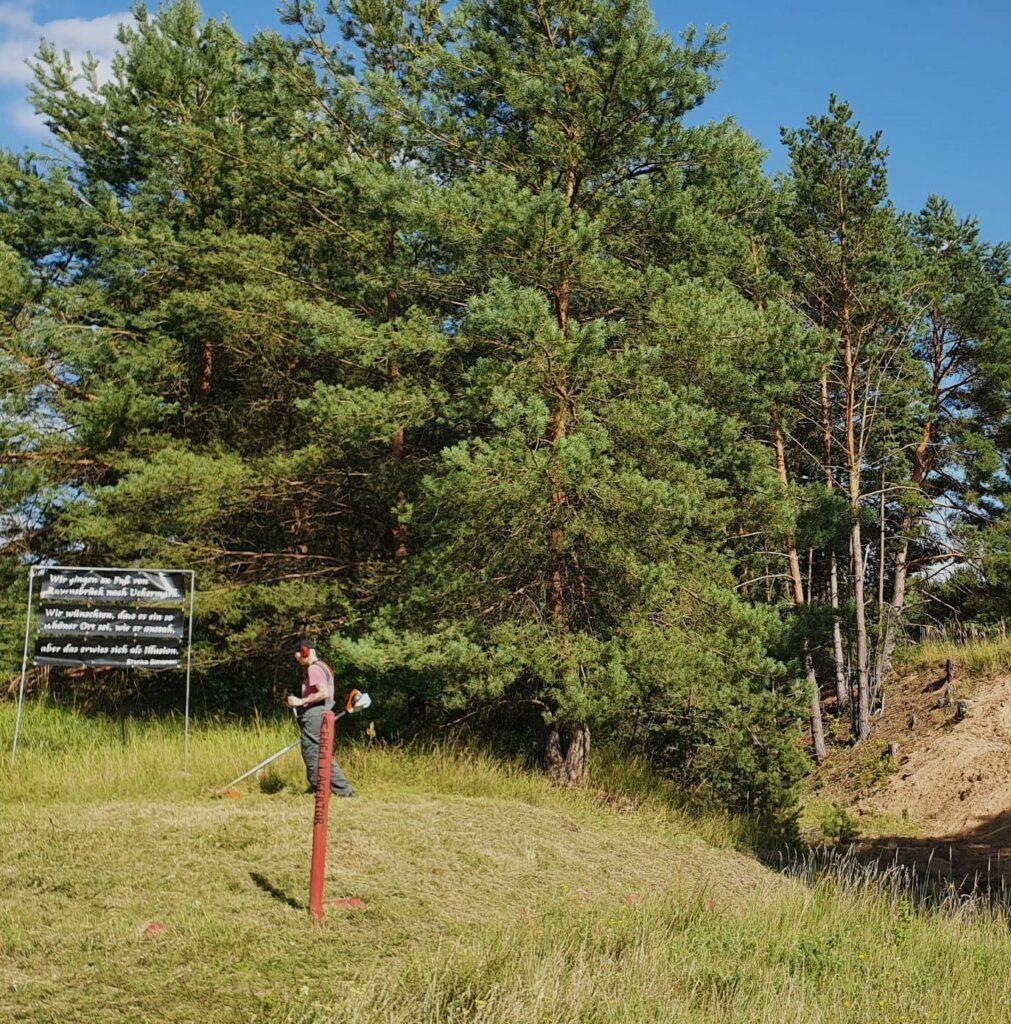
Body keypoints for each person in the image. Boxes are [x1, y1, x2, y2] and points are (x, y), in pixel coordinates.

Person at [287, 639, 355, 798]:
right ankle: (342, 790)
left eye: (298, 656)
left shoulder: (313, 669)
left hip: (315, 714)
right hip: (322, 712)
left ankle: (320, 789)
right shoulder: (324, 667)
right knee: (322, 753)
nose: (298, 660)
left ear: (305, 651)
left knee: (311, 752)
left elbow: (323, 692)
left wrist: (301, 701)